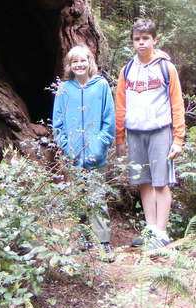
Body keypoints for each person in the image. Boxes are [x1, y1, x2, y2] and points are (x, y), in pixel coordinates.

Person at [115, 19, 185, 249]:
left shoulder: (166, 68)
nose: (141, 43)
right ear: (132, 42)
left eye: (146, 38)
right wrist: (120, 138)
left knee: (161, 182)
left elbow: (177, 104)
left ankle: (162, 233)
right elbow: (120, 105)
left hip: (160, 131)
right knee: (143, 181)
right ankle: (151, 229)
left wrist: (178, 139)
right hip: (135, 132)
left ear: (155, 40)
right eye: (137, 39)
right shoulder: (127, 70)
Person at [52, 45, 116, 262]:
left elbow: (109, 120)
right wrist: (66, 147)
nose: (79, 65)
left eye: (83, 60)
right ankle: (83, 239)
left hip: (96, 155)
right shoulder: (64, 89)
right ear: (69, 65)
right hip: (73, 155)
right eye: (74, 61)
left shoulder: (101, 86)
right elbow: (57, 123)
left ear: (90, 62)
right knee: (77, 197)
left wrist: (100, 146)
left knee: (97, 198)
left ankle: (103, 243)